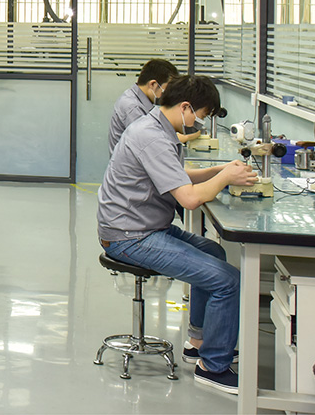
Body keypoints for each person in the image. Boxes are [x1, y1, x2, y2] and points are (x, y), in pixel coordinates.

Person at [97, 74, 257, 394]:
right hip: (130, 236)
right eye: (200, 114)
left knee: (214, 252)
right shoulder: (151, 136)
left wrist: (218, 170)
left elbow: (177, 175)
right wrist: (225, 177)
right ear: (185, 107)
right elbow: (189, 199)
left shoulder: (157, 127)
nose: (198, 122)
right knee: (228, 280)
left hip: (143, 225)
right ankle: (213, 366)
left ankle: (198, 343)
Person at [108, 58, 201, 155]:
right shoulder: (132, 107)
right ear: (153, 84)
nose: (169, 93)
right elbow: (150, 142)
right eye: (167, 89)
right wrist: (188, 136)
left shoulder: (139, 100)